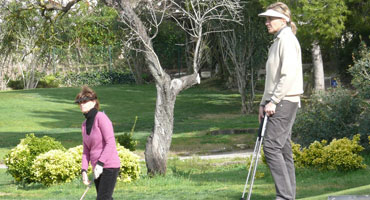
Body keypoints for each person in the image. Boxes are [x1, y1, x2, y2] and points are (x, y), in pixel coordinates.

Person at [258, 2, 303, 200]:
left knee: (271, 146)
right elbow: (272, 78)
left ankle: (284, 197)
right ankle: (288, 196)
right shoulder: (278, 40)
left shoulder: (286, 39)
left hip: (285, 101)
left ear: (283, 20)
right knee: (283, 150)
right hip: (278, 100)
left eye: (270, 18)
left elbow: (288, 74)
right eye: (266, 19)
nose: (266, 22)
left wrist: (274, 101)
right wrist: (263, 103)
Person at [75, 86, 121, 200]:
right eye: (79, 102)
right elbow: (86, 150)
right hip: (97, 167)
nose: (82, 104)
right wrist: (84, 170)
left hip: (109, 166)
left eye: (85, 101)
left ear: (94, 102)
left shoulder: (101, 118)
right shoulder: (84, 124)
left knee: (102, 198)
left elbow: (110, 143)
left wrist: (100, 164)